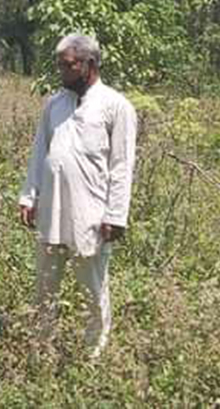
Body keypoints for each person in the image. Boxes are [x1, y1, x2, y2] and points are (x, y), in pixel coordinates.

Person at [18, 33, 137, 357]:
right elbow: (39, 151)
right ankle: (41, 348)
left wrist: (115, 216)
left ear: (90, 64)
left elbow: (122, 165)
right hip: (51, 209)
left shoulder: (116, 106)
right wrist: (29, 196)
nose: (62, 71)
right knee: (45, 285)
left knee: (92, 285)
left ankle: (93, 353)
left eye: (68, 65)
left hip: (92, 213)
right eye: (59, 65)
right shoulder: (55, 103)